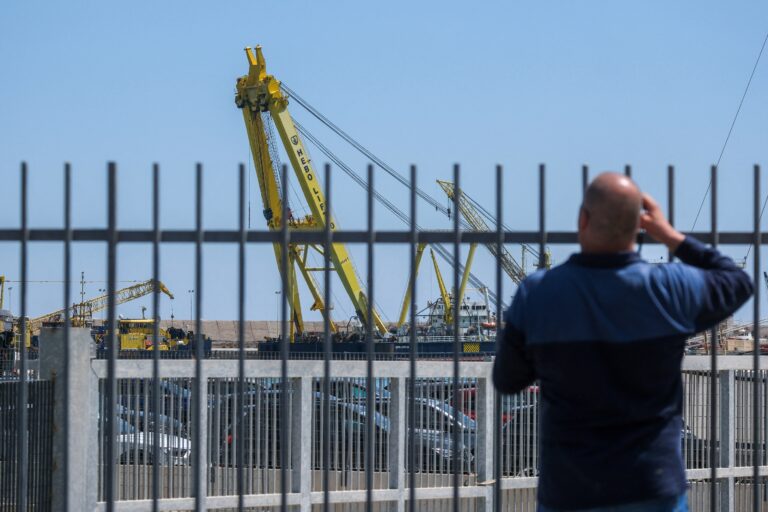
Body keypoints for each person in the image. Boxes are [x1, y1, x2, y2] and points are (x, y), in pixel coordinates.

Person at [493, 172, 753, 512]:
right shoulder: (670, 288)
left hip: (570, 490)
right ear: (641, 226)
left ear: (582, 219)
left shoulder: (538, 293)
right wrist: (670, 235)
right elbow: (737, 282)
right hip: (652, 485)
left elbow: (508, 380)